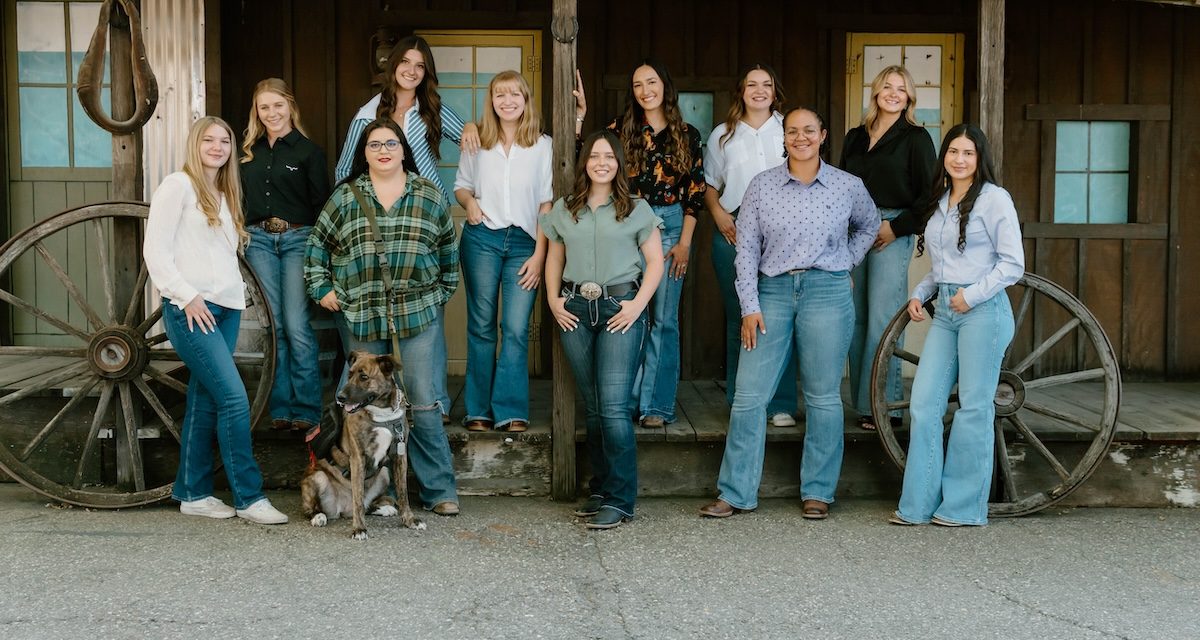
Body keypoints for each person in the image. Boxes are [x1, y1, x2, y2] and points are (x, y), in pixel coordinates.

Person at [699, 107, 879, 521]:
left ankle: (818, 491)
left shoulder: (847, 186)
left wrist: (844, 262)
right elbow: (746, 251)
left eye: (808, 131)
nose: (800, 137)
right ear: (784, 138)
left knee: (822, 397)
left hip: (827, 293)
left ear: (823, 135)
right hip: (773, 292)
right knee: (749, 397)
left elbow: (869, 226)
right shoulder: (762, 187)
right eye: (793, 131)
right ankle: (735, 492)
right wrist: (750, 305)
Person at [305, 119, 461, 517]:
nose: (384, 150)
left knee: (424, 402)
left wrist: (440, 293)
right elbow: (317, 246)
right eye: (374, 145)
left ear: (404, 150)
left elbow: (447, 249)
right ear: (365, 153)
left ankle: (439, 490)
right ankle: (367, 490)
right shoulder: (345, 198)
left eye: (391, 143)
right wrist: (322, 288)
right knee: (358, 403)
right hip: (361, 313)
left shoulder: (427, 195)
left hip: (417, 311)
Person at [143, 116, 288, 525]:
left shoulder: (225, 192)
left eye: (225, 140)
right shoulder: (178, 185)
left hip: (225, 308)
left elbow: (223, 256)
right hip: (192, 309)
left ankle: (193, 493)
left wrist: (234, 299)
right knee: (233, 398)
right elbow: (155, 252)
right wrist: (186, 296)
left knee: (204, 400)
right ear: (195, 143)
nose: (218, 146)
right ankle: (249, 497)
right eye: (209, 139)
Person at [334, 35, 480, 422]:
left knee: (426, 318)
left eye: (420, 65)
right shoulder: (368, 115)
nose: (412, 71)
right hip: (379, 227)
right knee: (376, 325)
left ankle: (434, 405)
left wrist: (468, 126)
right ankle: (376, 408)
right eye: (406, 63)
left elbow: (472, 138)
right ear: (393, 66)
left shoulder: (429, 108)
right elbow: (343, 171)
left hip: (425, 222)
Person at [890, 124, 1024, 527]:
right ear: (944, 156)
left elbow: (1012, 263)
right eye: (953, 151)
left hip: (983, 312)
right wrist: (920, 292)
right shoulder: (941, 199)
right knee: (924, 403)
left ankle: (963, 507)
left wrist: (973, 294)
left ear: (979, 158)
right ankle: (918, 505)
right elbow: (942, 265)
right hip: (947, 311)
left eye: (968, 152)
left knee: (973, 407)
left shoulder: (995, 199)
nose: (960, 159)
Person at [544, 131, 665, 530]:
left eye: (608, 157)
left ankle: (621, 498)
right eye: (594, 156)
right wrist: (553, 300)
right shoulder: (566, 209)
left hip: (620, 308)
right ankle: (600, 488)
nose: (601, 162)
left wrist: (637, 305)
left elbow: (655, 263)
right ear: (585, 163)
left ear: (618, 164)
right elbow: (554, 258)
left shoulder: (636, 209)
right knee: (594, 405)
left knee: (613, 407)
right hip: (575, 309)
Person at [574, 59, 705, 428]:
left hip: (671, 226)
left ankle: (656, 407)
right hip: (628, 225)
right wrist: (580, 117)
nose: (645, 90)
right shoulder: (621, 130)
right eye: (637, 85)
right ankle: (624, 401)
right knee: (629, 313)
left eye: (652, 82)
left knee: (664, 319)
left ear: (665, 85)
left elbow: (695, 193)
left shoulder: (688, 134)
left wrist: (685, 243)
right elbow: (587, 156)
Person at [454, 71, 553, 434]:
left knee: (514, 327)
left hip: (525, 244)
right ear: (491, 100)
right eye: (500, 94)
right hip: (481, 240)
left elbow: (546, 204)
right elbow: (461, 187)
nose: (507, 100)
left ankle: (510, 410)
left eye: (515, 94)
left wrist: (540, 256)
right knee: (481, 326)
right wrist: (470, 204)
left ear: (526, 100)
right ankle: (478, 409)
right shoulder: (477, 141)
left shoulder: (543, 145)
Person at [840, 65, 937, 431]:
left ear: (909, 97)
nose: (894, 93)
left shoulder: (916, 138)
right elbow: (839, 187)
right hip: (852, 229)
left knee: (882, 316)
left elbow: (930, 194)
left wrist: (895, 228)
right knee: (855, 317)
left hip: (890, 229)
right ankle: (864, 403)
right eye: (887, 87)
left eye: (902, 88)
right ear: (876, 92)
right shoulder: (854, 137)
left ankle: (886, 407)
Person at [704, 63, 799, 427]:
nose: (759, 90)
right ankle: (740, 400)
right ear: (740, 91)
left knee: (778, 317)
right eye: (751, 85)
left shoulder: (788, 129)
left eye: (766, 85)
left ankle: (781, 405)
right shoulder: (723, 135)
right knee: (739, 317)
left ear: (775, 92)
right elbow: (710, 185)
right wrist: (719, 216)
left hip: (781, 232)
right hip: (733, 227)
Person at [239, 78, 331, 432]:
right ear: (257, 112)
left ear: (290, 106)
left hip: (297, 240)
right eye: (264, 107)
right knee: (273, 327)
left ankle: (307, 410)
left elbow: (321, 205)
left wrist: (319, 252)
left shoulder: (309, 152)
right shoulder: (250, 151)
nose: (271, 113)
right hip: (259, 241)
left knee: (296, 325)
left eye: (277, 105)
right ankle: (279, 408)